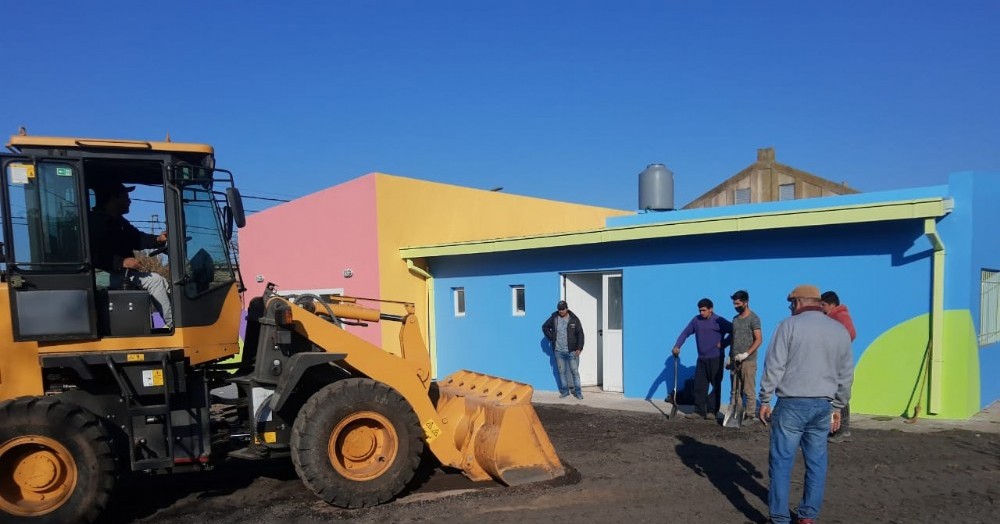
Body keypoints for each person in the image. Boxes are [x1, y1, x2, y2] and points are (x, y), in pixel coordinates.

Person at [758, 285, 854, 524]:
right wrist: (838, 406)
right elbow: (846, 374)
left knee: (781, 462)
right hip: (823, 406)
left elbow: (775, 365)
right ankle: (808, 517)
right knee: (817, 463)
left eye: (791, 303)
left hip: (791, 403)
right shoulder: (839, 330)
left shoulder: (787, 326)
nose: (790, 308)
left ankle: (779, 518)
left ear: (799, 302)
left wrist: (765, 399)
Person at [90, 182, 173, 329]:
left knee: (164, 284)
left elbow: (137, 238)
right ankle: (174, 325)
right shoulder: (96, 222)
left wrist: (158, 239)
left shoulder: (118, 222)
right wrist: (121, 262)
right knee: (155, 281)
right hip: (98, 275)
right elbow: (94, 254)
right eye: (126, 197)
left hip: (115, 273)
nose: (129, 201)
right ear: (113, 198)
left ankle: (163, 323)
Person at [671, 298, 732, 420]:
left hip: (716, 358)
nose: (701, 313)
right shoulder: (696, 320)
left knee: (715, 385)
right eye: (700, 310)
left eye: (704, 310)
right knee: (699, 386)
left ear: (711, 309)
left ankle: (712, 411)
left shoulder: (718, 321)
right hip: (702, 359)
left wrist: (724, 343)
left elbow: (734, 332)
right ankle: (698, 411)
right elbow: (685, 333)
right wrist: (677, 345)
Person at [821, 290, 856, 443]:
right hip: (835, 361)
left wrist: (836, 349)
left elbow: (851, 334)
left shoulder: (840, 316)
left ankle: (841, 430)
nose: (821, 308)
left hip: (838, 362)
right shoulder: (833, 316)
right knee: (839, 395)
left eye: (822, 305)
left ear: (831, 305)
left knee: (839, 396)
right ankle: (841, 429)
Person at [729, 290, 762, 420]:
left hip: (748, 361)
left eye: (737, 303)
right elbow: (733, 339)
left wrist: (746, 354)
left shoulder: (754, 318)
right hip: (734, 360)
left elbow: (759, 339)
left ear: (745, 302)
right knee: (735, 390)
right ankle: (735, 416)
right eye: (734, 304)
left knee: (748, 389)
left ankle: (749, 414)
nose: (735, 306)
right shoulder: (735, 319)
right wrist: (729, 356)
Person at [542, 300, 585, 399]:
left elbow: (580, 334)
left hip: (572, 351)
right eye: (559, 309)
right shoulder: (554, 318)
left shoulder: (574, 319)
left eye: (562, 309)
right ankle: (565, 391)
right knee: (561, 372)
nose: (561, 311)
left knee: (574, 371)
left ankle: (578, 392)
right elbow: (545, 327)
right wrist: (552, 337)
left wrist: (579, 348)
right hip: (558, 351)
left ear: (566, 309)